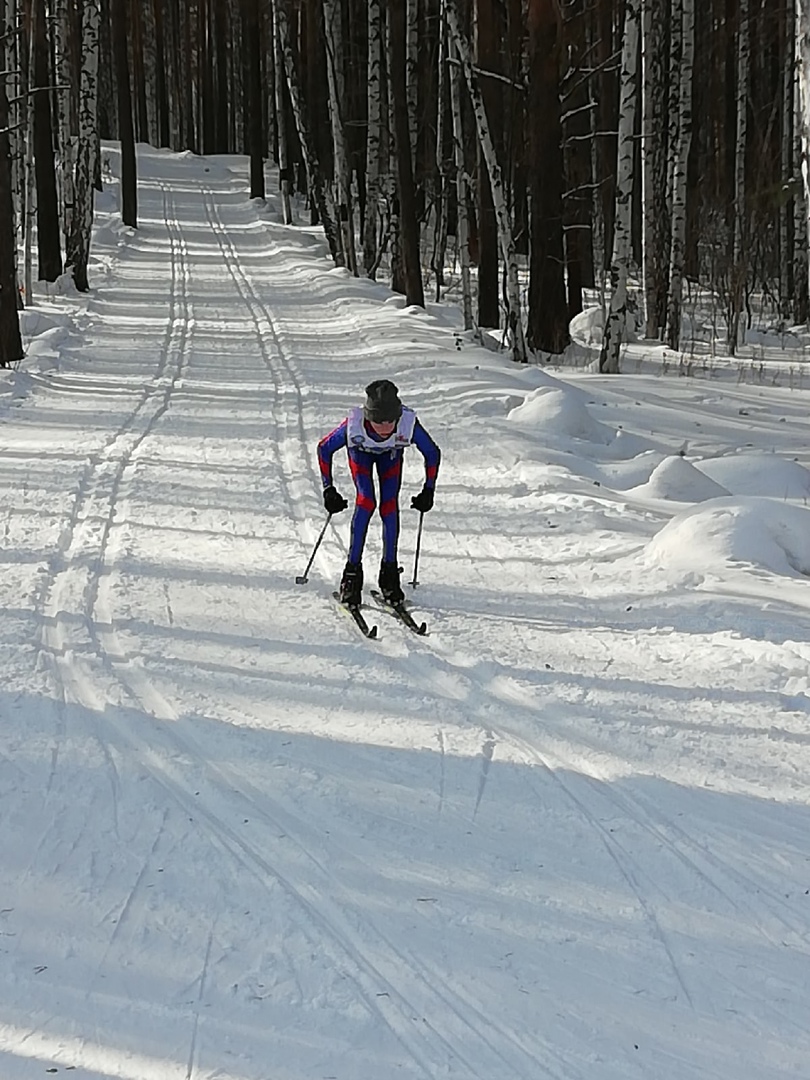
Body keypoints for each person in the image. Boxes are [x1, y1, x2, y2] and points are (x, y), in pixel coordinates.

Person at [317, 379, 441, 607]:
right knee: (366, 502)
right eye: (378, 422)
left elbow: (432, 453)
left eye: (390, 422)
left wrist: (428, 490)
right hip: (360, 454)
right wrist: (328, 489)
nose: (385, 428)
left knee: (389, 506)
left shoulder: (408, 423)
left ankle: (390, 574)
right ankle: (352, 575)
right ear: (368, 417)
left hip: (390, 457)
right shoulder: (353, 425)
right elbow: (324, 448)